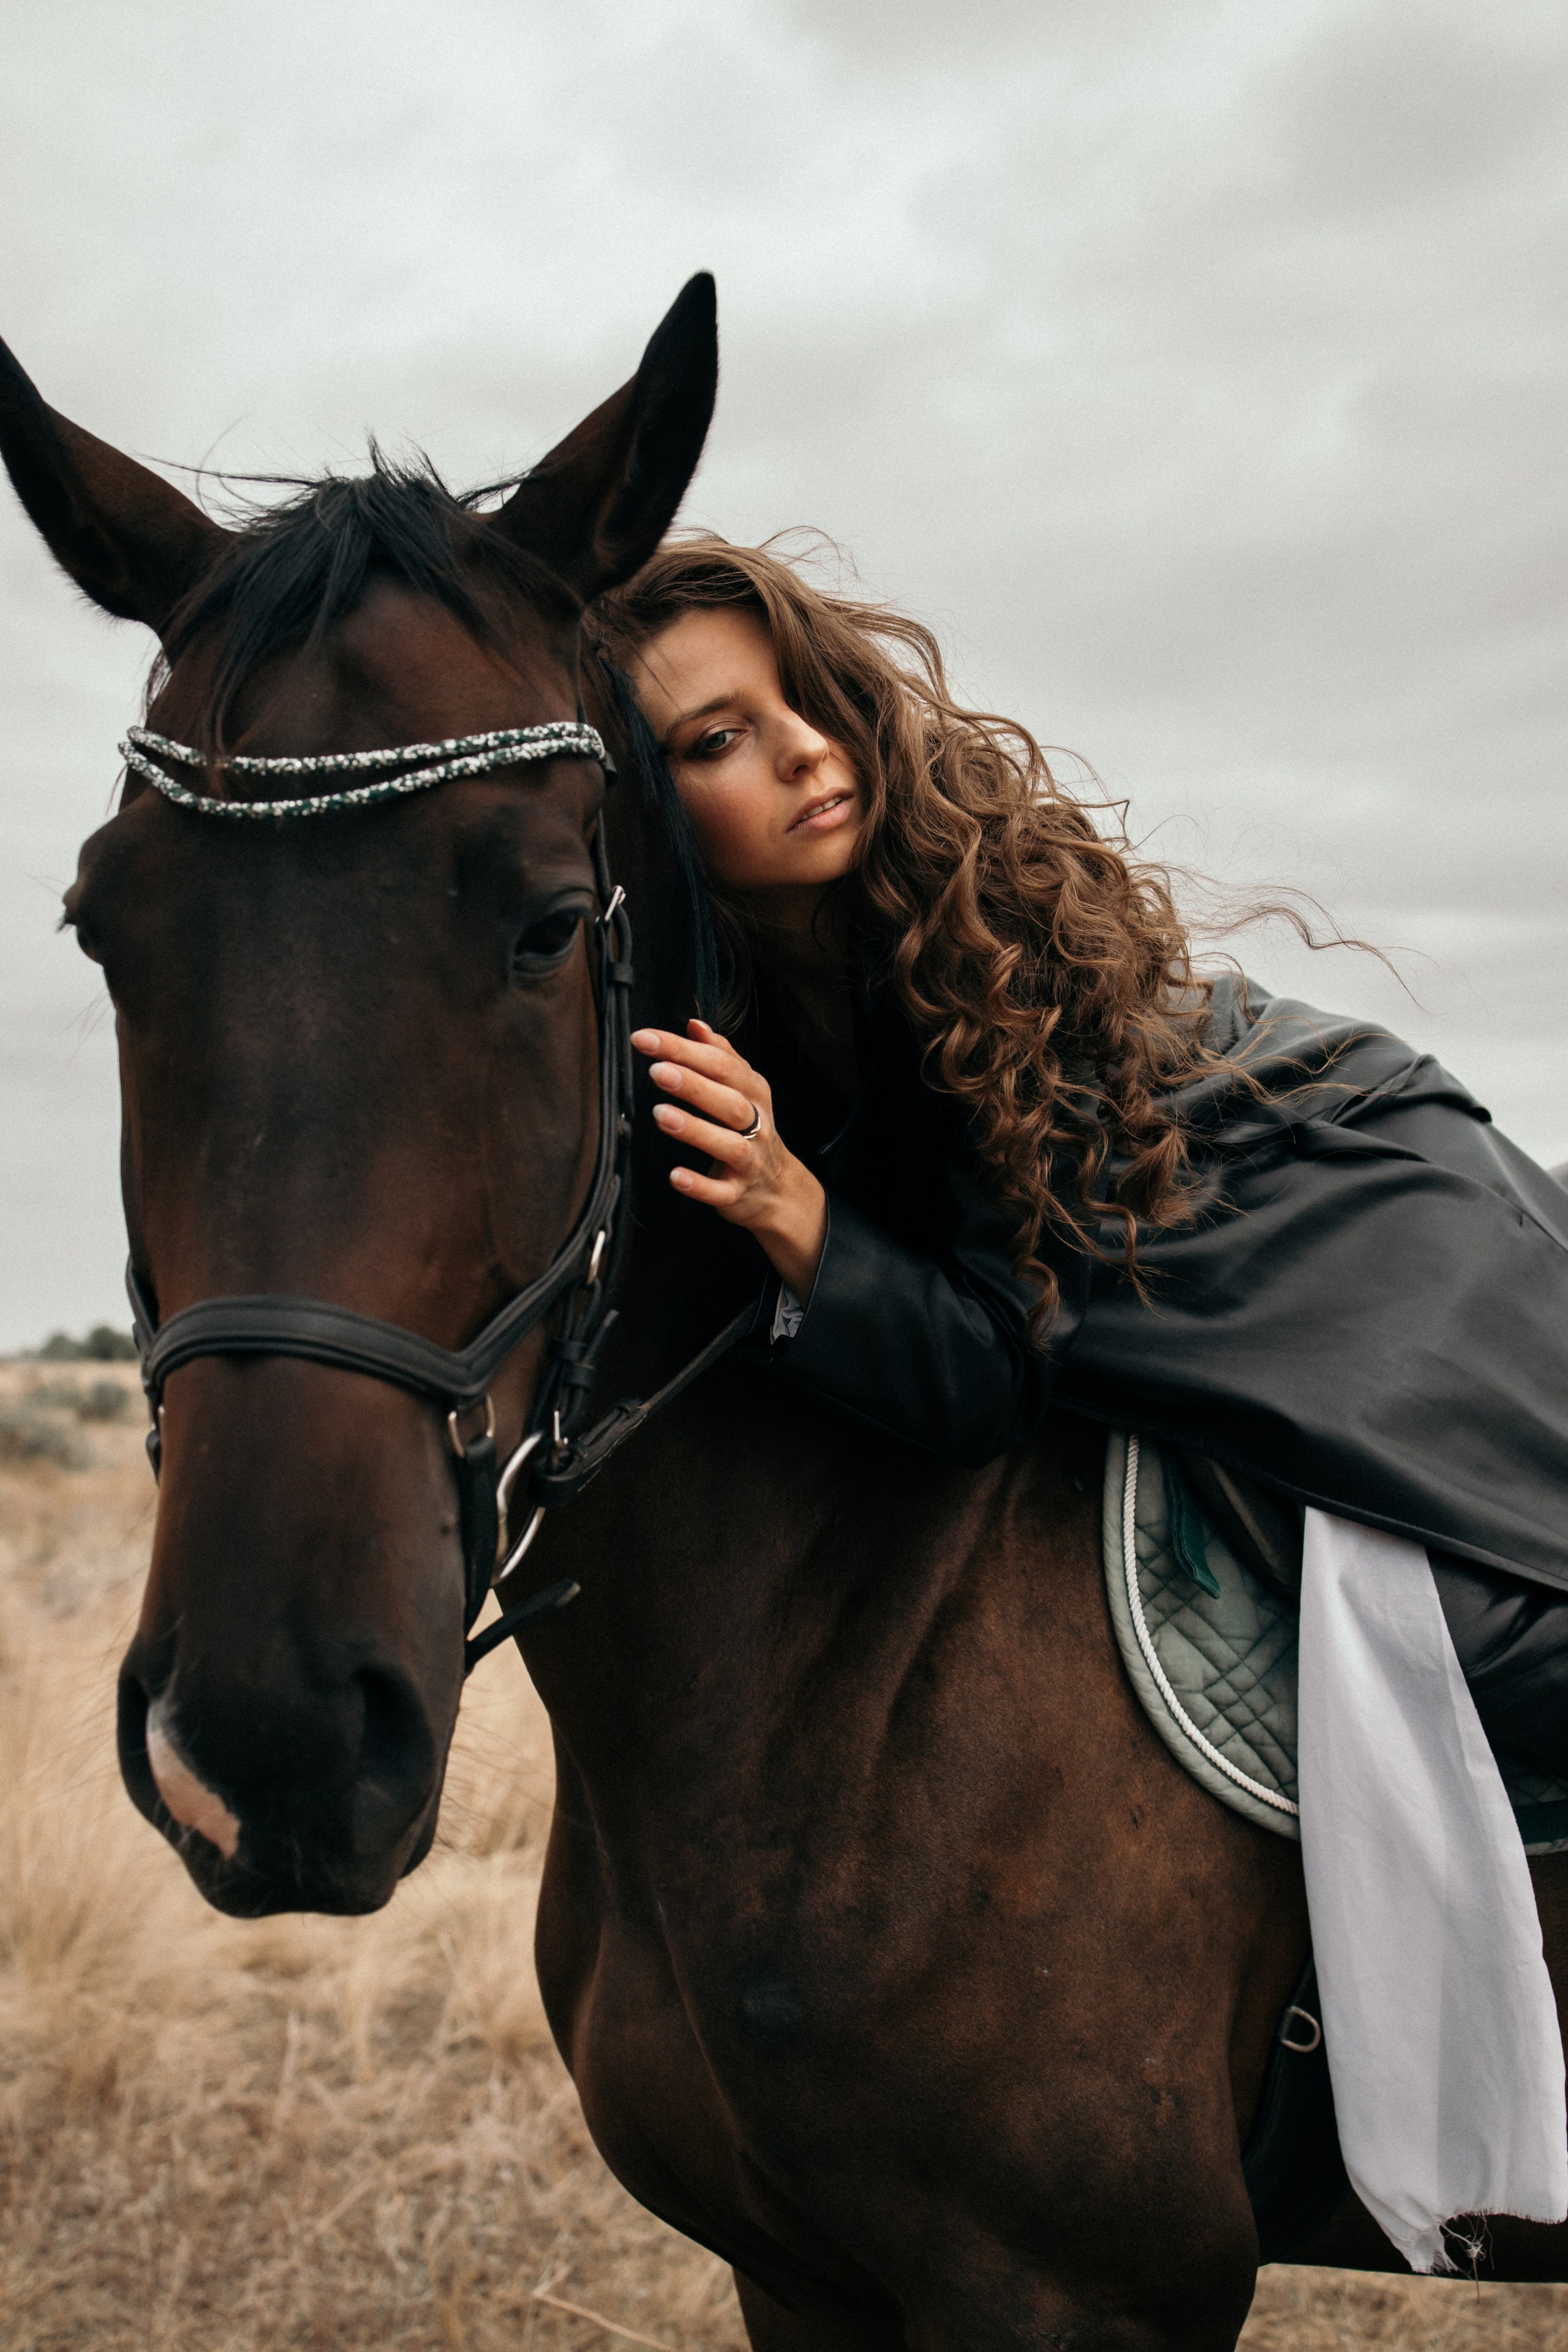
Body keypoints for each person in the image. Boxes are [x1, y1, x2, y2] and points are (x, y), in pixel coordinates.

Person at [590, 536, 1568, 1778]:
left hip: (1326, 1205)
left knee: (1492, 1643)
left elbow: (994, 1366)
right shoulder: (696, 999)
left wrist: (794, 1206)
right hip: (1186, 1236)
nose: (804, 748)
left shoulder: (980, 939)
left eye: (807, 697)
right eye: (716, 739)